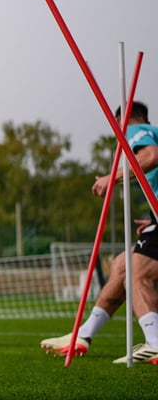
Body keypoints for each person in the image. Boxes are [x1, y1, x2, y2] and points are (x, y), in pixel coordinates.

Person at [40, 101, 158, 363]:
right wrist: (150, 219)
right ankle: (84, 334)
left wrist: (111, 176)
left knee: (135, 272)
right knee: (120, 266)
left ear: (122, 121)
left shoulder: (136, 130)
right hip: (156, 220)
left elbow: (150, 156)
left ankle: (156, 342)